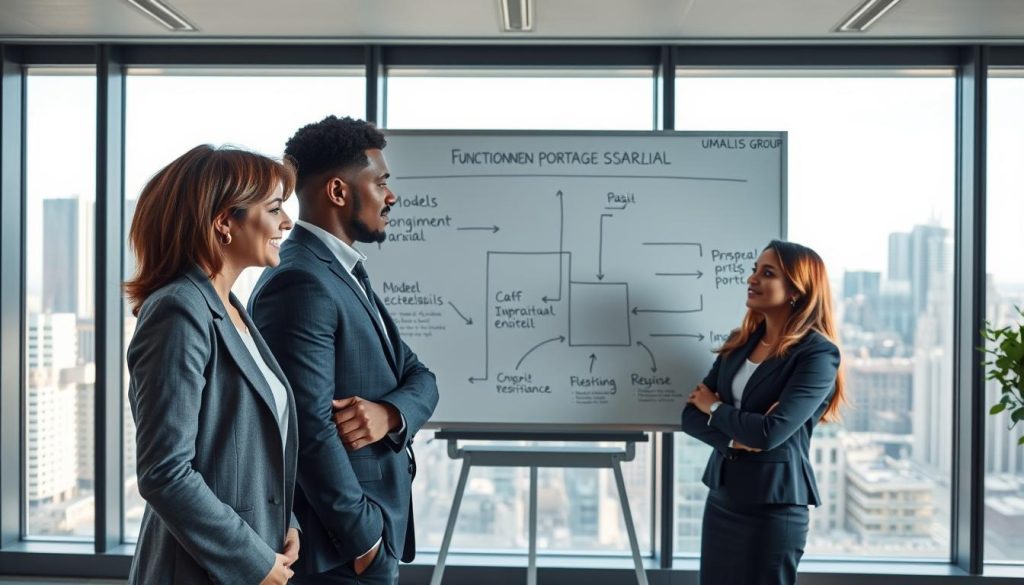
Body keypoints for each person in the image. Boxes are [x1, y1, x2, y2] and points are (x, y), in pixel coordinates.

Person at [249, 115, 439, 585]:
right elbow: (308, 428)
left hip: (362, 541)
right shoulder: (300, 281)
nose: (390, 196)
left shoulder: (343, 273)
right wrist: (364, 543)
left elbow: (421, 377)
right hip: (335, 552)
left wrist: (390, 414)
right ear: (338, 192)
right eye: (381, 183)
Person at [125, 144, 299, 585]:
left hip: (255, 554)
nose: (287, 222)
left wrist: (286, 521)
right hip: (197, 569)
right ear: (224, 221)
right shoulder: (179, 309)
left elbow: (244, 450)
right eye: (275, 208)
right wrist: (253, 561)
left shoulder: (232, 309)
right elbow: (165, 472)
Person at [681, 239, 844, 585]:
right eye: (754, 270)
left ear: (796, 291)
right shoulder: (742, 341)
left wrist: (715, 407)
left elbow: (768, 434)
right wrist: (734, 440)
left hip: (773, 506)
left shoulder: (817, 355)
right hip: (723, 496)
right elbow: (689, 416)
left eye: (767, 273)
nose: (752, 279)